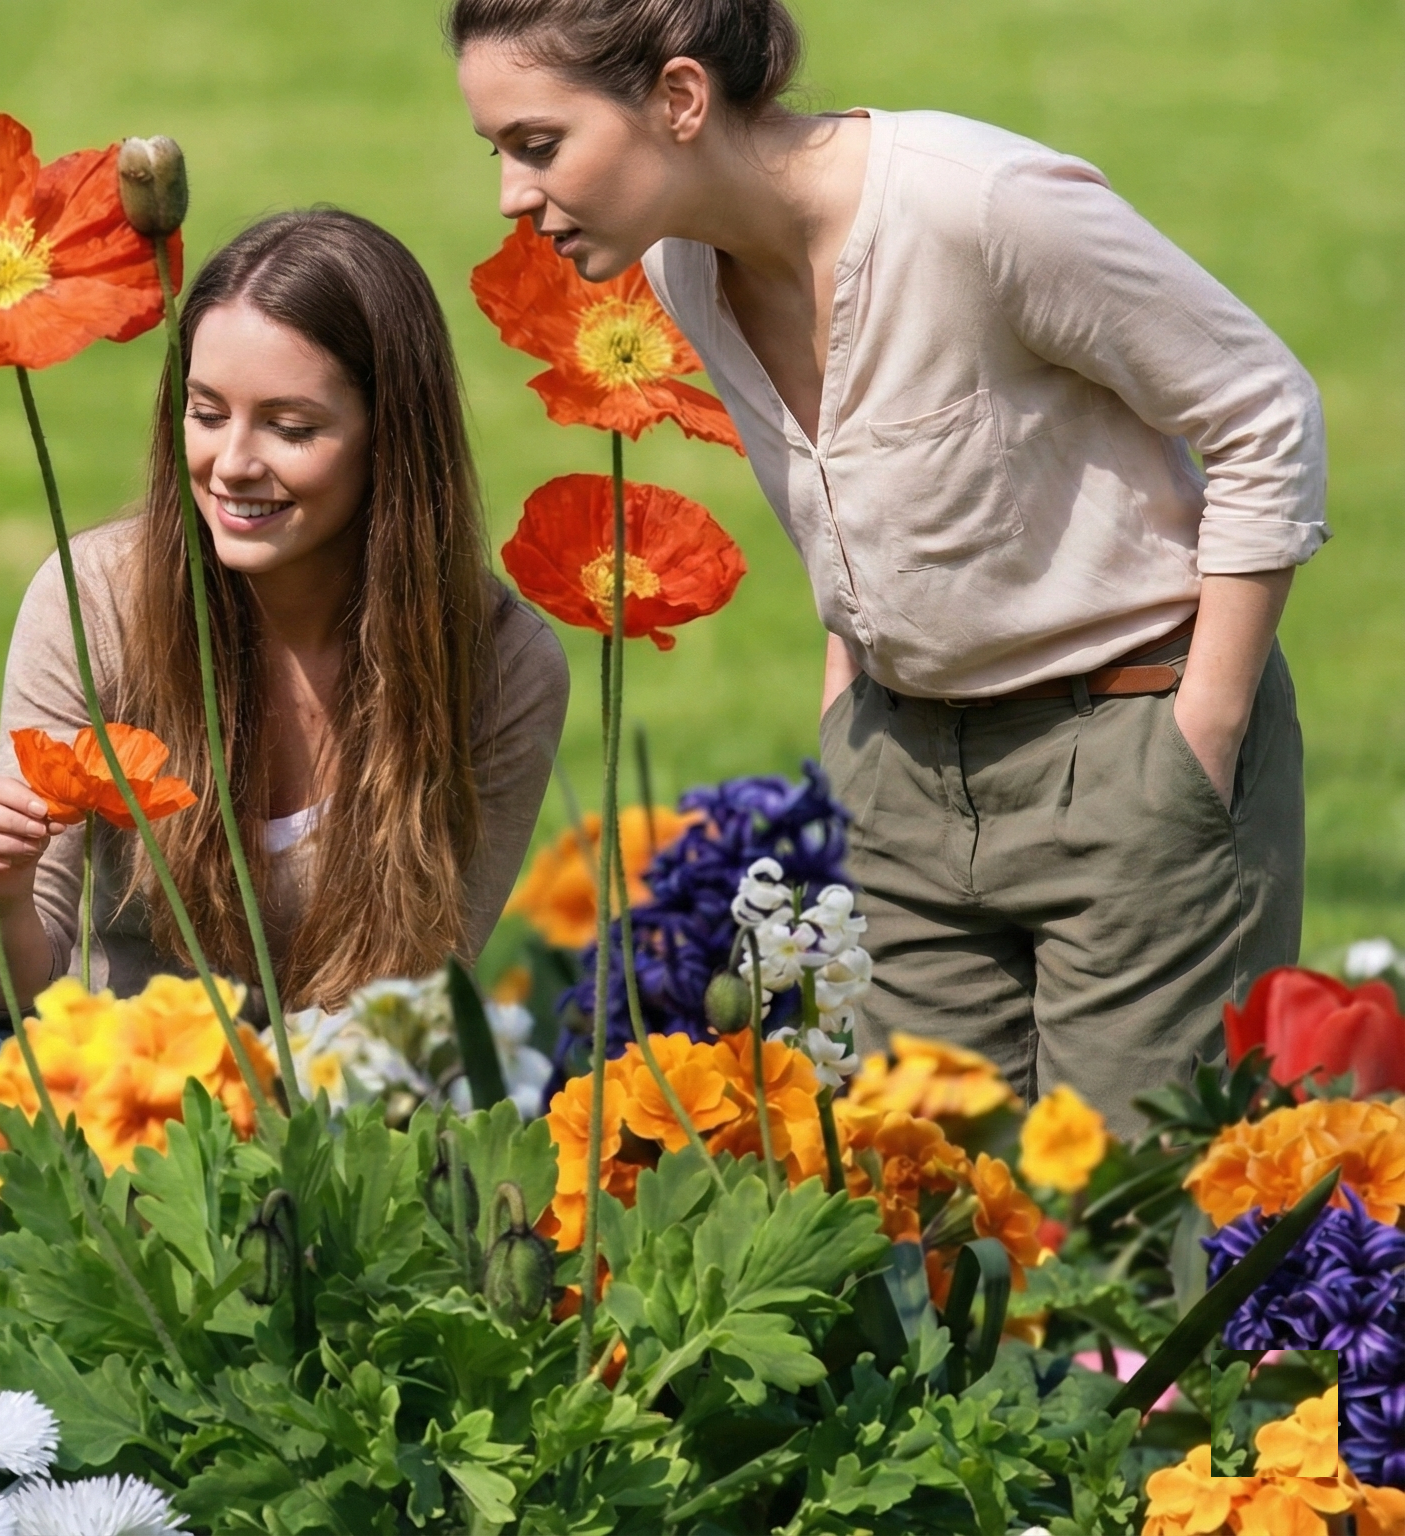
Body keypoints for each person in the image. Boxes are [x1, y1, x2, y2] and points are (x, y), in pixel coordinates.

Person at [450, 0, 1324, 1131]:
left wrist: (1199, 733)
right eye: (499, 151)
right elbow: (860, 494)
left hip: (1127, 747)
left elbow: (1264, 409)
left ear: (679, 98)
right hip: (897, 781)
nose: (512, 195)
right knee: (929, 1208)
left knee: (1124, 1219)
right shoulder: (681, 266)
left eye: (537, 144)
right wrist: (847, 727)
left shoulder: (980, 206)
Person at [0, 209, 573, 1271]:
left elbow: (410, 1014)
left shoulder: (499, 668)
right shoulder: (97, 600)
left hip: (334, 1136)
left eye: (290, 427)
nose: (231, 463)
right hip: (107, 1101)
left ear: (393, 437)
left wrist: (248, 1148)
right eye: (205, 413)